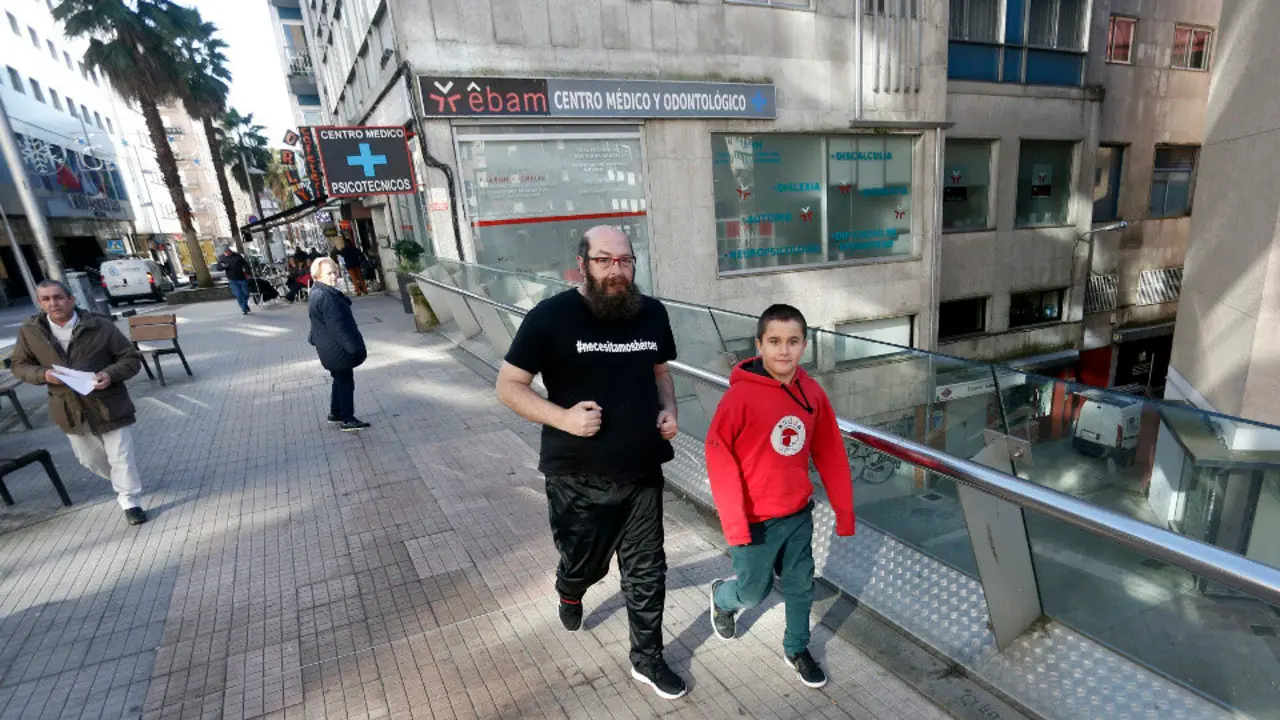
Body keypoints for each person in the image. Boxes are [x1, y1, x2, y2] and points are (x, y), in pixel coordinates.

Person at [495, 225, 686, 700]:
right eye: (604, 260)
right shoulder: (550, 317)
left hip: (643, 470)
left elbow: (661, 371)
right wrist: (563, 417)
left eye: (624, 260)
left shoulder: (652, 313)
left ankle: (647, 659)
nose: (616, 270)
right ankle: (570, 585)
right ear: (582, 264)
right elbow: (508, 387)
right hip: (576, 475)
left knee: (646, 570)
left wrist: (670, 410)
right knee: (587, 565)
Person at [704, 304, 855, 689]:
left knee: (801, 584)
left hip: (797, 514)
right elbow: (719, 461)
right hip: (754, 521)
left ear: (805, 345)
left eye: (792, 342)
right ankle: (723, 597)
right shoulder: (738, 399)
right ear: (759, 344)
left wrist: (844, 512)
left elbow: (830, 452)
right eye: (774, 341)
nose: (783, 351)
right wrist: (735, 525)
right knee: (753, 593)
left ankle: (796, 648)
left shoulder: (812, 393)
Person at [10, 280, 148, 525]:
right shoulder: (31, 331)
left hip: (109, 402)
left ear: (71, 299)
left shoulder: (100, 326)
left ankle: (130, 501)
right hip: (68, 409)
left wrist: (110, 374)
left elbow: (130, 358)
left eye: (58, 297)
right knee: (89, 459)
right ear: (39, 303)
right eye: (46, 299)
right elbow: (20, 366)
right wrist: (43, 375)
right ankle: (123, 482)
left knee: (121, 457)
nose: (54, 303)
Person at [308, 257, 369, 432]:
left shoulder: (316, 292)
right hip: (337, 350)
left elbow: (316, 322)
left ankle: (336, 412)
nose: (333, 276)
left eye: (335, 272)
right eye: (328, 273)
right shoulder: (327, 296)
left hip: (328, 348)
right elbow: (337, 327)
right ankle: (348, 419)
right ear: (317, 275)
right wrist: (352, 348)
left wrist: (313, 338)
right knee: (345, 382)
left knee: (339, 380)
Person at [221, 245, 252, 314]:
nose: (226, 253)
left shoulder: (237, 255)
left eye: (227, 252)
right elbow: (219, 267)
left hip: (241, 277)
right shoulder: (222, 257)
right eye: (225, 252)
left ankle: (244, 306)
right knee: (238, 294)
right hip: (232, 279)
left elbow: (245, 264)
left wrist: (248, 273)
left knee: (246, 293)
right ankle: (244, 308)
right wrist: (224, 267)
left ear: (229, 250)